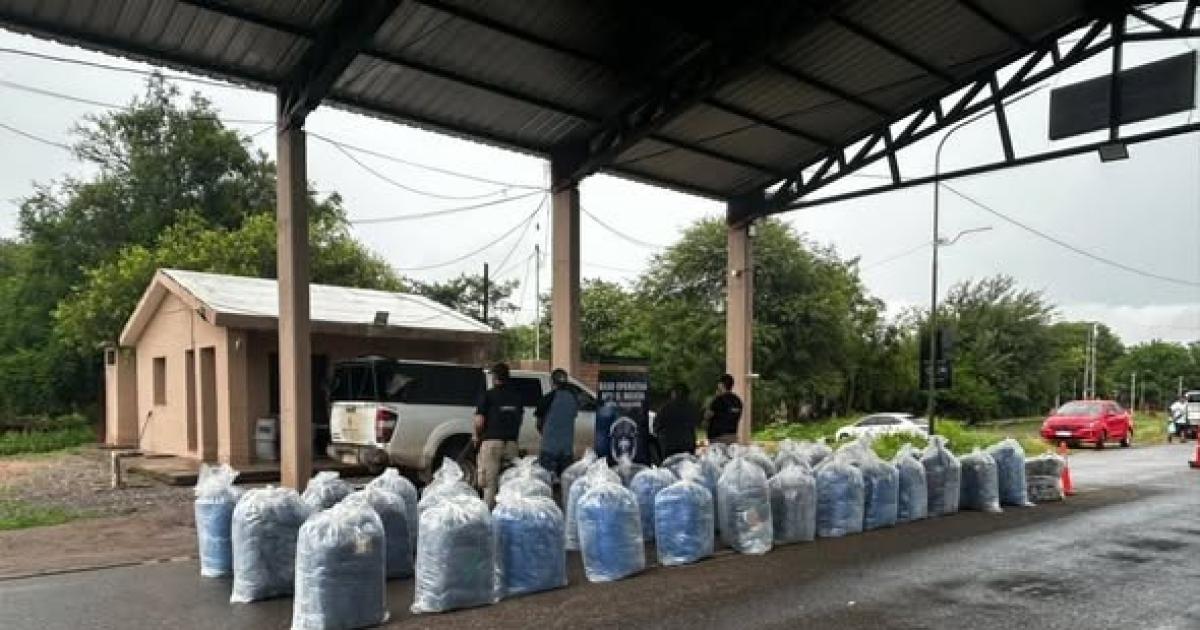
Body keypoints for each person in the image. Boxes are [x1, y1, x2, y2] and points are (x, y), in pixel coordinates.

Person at [473, 362, 523, 507]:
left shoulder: (488, 395)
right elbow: (519, 419)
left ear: (495, 377)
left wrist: (476, 436)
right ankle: (507, 512)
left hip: (492, 443)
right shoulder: (516, 397)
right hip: (511, 444)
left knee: (489, 485)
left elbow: (479, 421)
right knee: (509, 484)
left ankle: (488, 515)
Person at [534, 368, 578, 477]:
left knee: (547, 479)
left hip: (549, 448)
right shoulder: (573, 399)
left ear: (552, 382)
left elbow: (538, 424)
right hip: (567, 449)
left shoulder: (547, 399)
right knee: (565, 479)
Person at [654, 384, 700, 458]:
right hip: (687, 444)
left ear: (674, 394)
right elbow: (696, 423)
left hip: (669, 445)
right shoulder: (692, 408)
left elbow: (657, 425)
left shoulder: (665, 408)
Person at [704, 373, 743, 446]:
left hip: (718, 438)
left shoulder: (718, 400)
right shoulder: (738, 400)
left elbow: (707, 416)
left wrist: (713, 399)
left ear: (721, 385)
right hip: (733, 436)